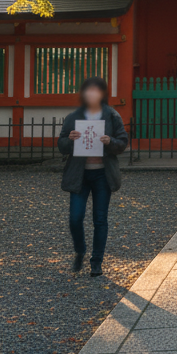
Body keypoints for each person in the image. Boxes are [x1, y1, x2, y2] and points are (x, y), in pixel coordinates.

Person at [57, 77, 130, 275]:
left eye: (96, 91)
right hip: (79, 174)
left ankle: (96, 261)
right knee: (75, 218)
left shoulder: (111, 115)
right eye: (88, 91)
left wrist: (110, 141)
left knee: (100, 219)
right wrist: (69, 140)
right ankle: (80, 250)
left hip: (102, 175)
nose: (92, 94)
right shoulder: (73, 117)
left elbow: (123, 142)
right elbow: (61, 144)